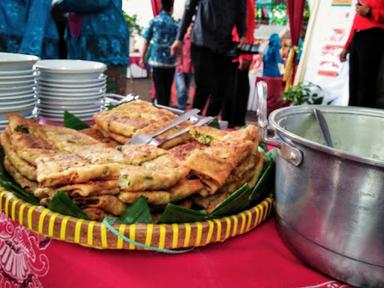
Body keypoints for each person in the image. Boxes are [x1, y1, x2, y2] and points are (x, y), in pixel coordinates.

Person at [172, 0, 247, 116]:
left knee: (221, 90)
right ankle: (192, 122)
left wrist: (242, 34)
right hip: (201, 42)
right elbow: (188, 10)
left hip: (224, 44)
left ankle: (209, 123)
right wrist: (179, 38)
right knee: (203, 88)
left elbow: (241, 13)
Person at [51, 0, 130, 95]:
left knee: (109, 99)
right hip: (82, 45)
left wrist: (59, 5)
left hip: (105, 44)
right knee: (80, 98)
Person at [340, 0, 384, 108]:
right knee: (353, 82)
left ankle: (364, 118)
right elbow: (357, 20)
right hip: (358, 37)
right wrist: (347, 45)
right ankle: (352, 113)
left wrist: (370, 12)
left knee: (366, 82)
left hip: (374, 36)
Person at [222, 0, 255, 128]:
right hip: (234, 52)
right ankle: (229, 124)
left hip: (238, 52)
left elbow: (246, 28)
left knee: (236, 91)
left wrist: (244, 54)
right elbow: (238, 27)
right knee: (231, 91)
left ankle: (233, 124)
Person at [141, 0, 178, 106]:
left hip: (157, 61)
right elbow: (179, 43)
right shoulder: (175, 24)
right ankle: (166, 111)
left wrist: (142, 57)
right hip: (171, 62)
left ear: (161, 6)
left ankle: (160, 113)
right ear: (172, 8)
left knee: (159, 89)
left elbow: (146, 40)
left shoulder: (154, 21)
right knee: (167, 90)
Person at [175, 23, 194, 110]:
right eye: (189, 27)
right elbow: (178, 53)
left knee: (186, 90)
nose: (191, 29)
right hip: (180, 68)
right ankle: (180, 108)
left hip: (190, 69)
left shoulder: (195, 41)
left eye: (193, 27)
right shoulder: (181, 39)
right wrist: (179, 65)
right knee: (182, 89)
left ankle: (183, 108)